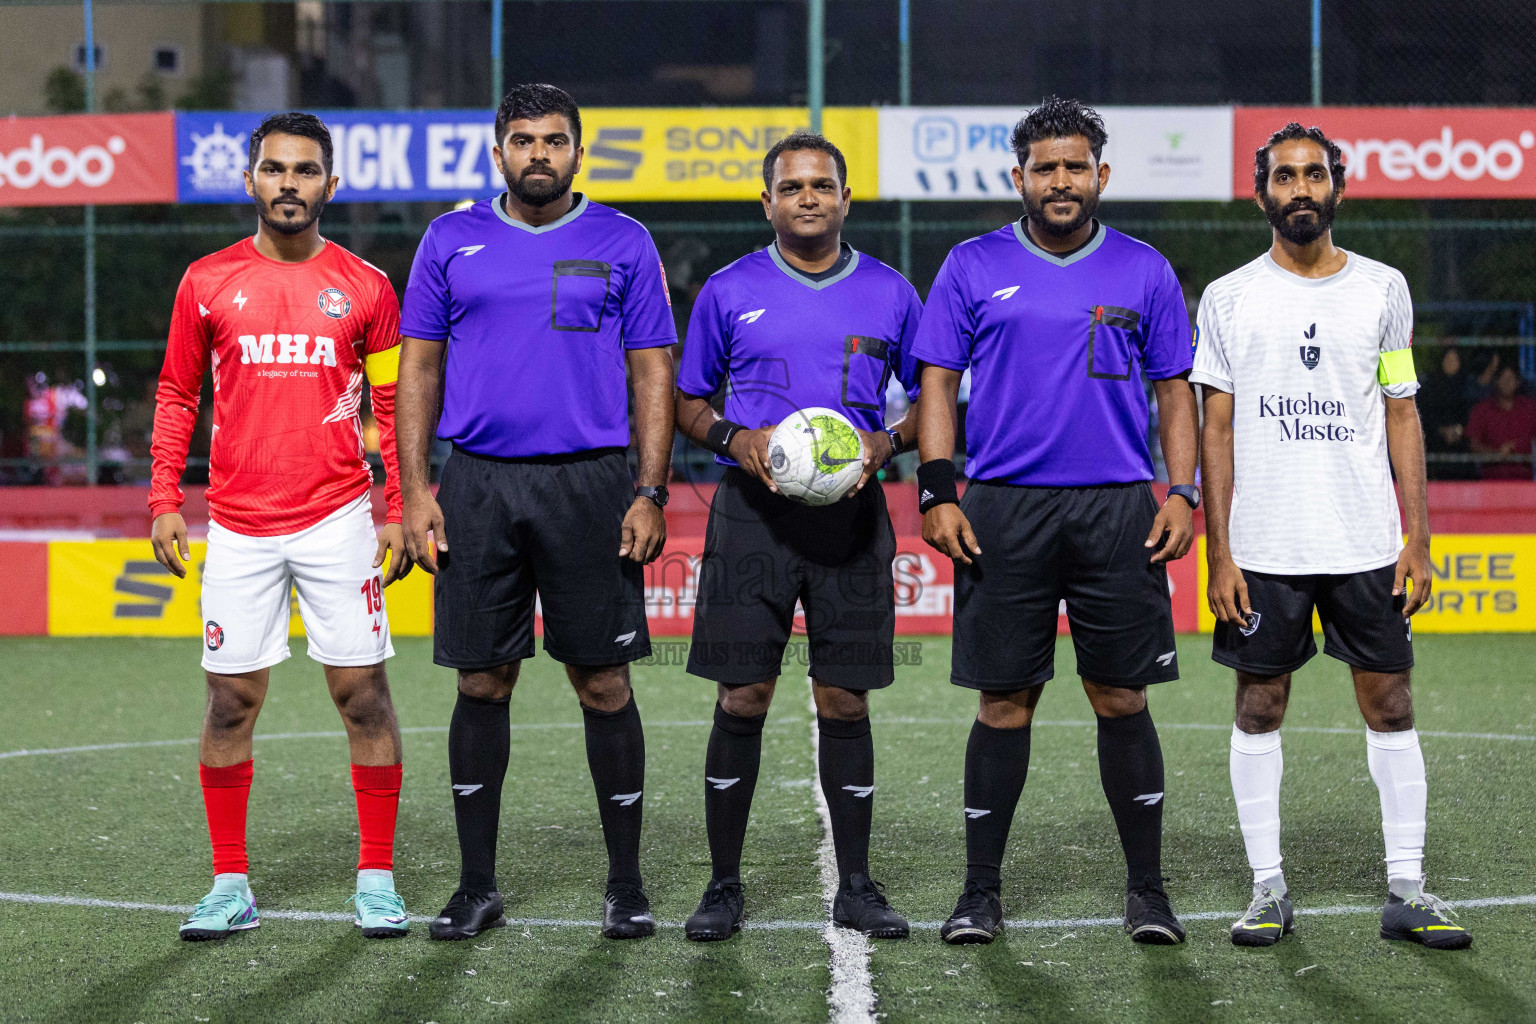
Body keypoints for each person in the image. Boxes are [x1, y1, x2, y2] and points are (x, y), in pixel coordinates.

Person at [912, 96, 1199, 946]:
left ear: (1101, 176)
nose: (1062, 181)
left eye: (1077, 166)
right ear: (1020, 178)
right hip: (1003, 506)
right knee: (1005, 703)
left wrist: (1181, 491)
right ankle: (979, 893)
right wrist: (937, 491)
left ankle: (1147, 893)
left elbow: (1174, 390)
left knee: (1121, 695)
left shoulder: (1145, 270)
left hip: (1118, 506)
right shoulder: (971, 263)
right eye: (1046, 168)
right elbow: (935, 381)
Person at [396, 84, 677, 941]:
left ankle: (625, 886)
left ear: (579, 153)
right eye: (523, 140)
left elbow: (653, 372)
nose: (540, 154)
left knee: (604, 682)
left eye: (555, 140)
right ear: (498, 153)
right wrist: (413, 492)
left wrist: (650, 489)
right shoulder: (450, 239)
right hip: (478, 485)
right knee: (482, 680)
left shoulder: (624, 241)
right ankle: (476, 885)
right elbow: (418, 371)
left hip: (592, 484)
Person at [1194, 122, 1470, 950]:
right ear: (1262, 194)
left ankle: (1409, 890)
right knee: (1259, 703)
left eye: (1315, 174)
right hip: (1266, 546)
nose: (1301, 189)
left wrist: (1415, 537)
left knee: (1390, 702)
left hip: (1364, 542)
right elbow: (1215, 427)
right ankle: (1266, 887)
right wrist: (1221, 551)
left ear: (1337, 188)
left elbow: (1401, 410)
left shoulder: (1382, 288)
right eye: (1286, 177)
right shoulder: (1228, 296)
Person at [149, 111, 412, 941]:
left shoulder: (367, 286)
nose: (288, 184)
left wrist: (397, 509)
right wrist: (163, 499)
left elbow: (393, 405)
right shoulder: (206, 281)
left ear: (330, 185)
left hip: (338, 517)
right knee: (230, 702)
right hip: (237, 525)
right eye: (274, 169)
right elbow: (176, 396)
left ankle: (376, 878)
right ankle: (231, 885)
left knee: (362, 694)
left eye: (305, 171)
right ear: (252, 180)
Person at [673, 131, 922, 942]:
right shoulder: (727, 289)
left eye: (822, 186)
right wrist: (733, 439)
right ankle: (722, 886)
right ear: (768, 202)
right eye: (792, 187)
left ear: (847, 200)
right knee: (742, 695)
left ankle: (856, 884)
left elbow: (934, 398)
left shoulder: (890, 292)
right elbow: (686, 402)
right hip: (753, 516)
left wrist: (887, 442)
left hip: (852, 516)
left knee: (843, 699)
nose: (807, 198)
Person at [1467, 364, 1536, 480]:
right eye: (1503, 378)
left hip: (1524, 482)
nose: (1507, 382)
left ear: (1518, 382)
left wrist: (1518, 447)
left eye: (1510, 378)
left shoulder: (1530, 408)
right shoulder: (1482, 410)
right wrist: (1497, 454)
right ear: (1496, 381)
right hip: (1491, 481)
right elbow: (1474, 445)